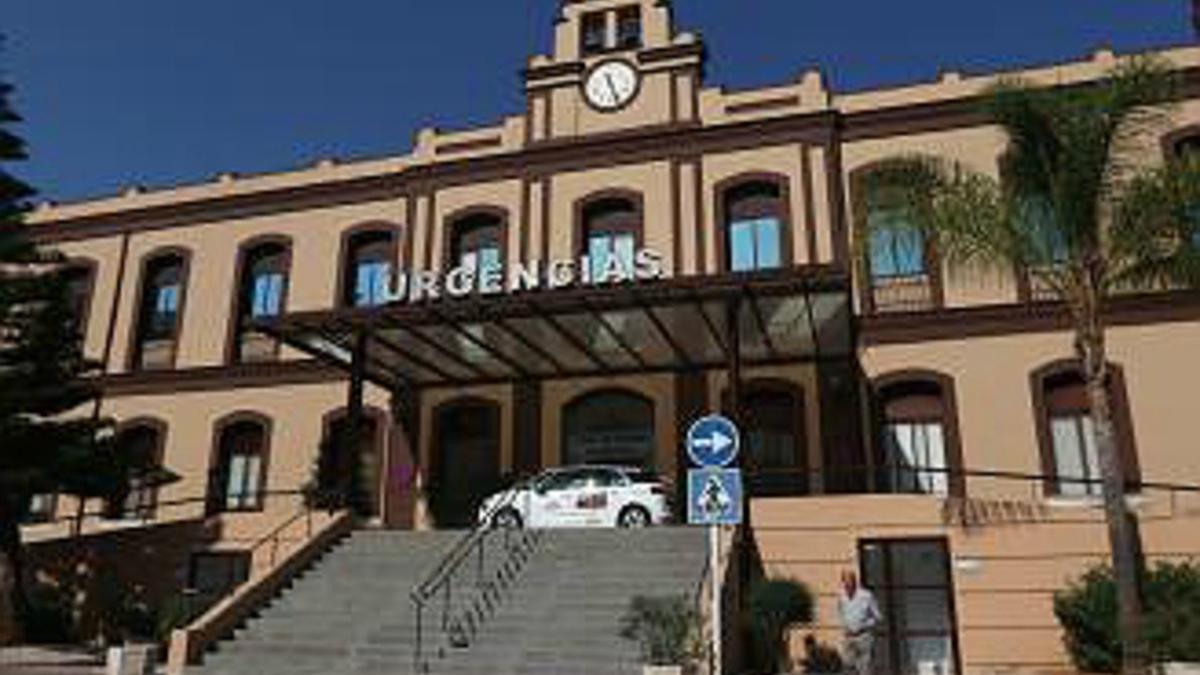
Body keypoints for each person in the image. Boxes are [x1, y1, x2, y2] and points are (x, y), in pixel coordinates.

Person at [837, 570, 882, 675]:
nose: (847, 586)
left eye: (849, 583)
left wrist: (864, 625)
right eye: (845, 583)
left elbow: (878, 616)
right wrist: (845, 625)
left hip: (864, 636)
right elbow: (841, 612)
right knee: (847, 666)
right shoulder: (841, 596)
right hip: (849, 637)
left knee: (865, 667)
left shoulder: (866, 596)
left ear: (855, 582)